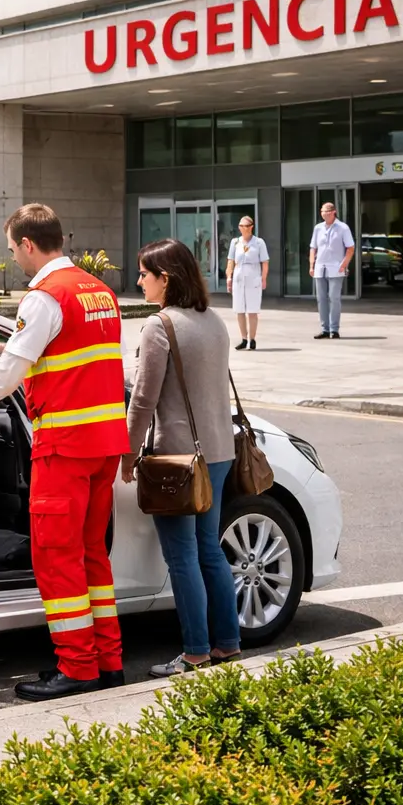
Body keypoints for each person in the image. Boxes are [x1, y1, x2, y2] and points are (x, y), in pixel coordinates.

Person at [0, 203, 129, 699]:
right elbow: (72, 357)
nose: (15, 257)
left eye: (14, 247)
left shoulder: (43, 297)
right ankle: (108, 662)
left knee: (56, 557)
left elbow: (5, 381)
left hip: (64, 446)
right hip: (104, 444)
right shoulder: (97, 291)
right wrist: (17, 350)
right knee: (91, 557)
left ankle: (77, 668)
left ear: (29, 245)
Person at [123, 239, 240, 677]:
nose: (139, 281)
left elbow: (143, 401)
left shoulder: (159, 326)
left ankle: (194, 652)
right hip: (219, 452)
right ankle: (227, 644)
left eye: (144, 274)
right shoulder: (214, 322)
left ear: (165, 278)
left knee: (183, 556)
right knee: (210, 550)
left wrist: (128, 453)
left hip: (176, 457)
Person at [309, 202, 354, 339]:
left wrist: (344, 264)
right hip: (320, 267)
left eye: (328, 211)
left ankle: (334, 329)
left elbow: (350, 248)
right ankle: (325, 329)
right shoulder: (318, 228)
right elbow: (313, 248)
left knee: (334, 298)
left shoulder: (343, 228)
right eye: (323, 211)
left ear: (334, 212)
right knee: (321, 299)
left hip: (336, 267)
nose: (325, 214)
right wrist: (311, 264)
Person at [225, 216, 269, 350]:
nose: (243, 229)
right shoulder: (235, 242)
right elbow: (230, 261)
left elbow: (265, 262)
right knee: (239, 310)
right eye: (241, 226)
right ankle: (244, 338)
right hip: (239, 276)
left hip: (253, 276)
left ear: (251, 227)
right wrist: (229, 276)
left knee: (252, 310)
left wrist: (263, 278)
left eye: (245, 226)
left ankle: (252, 339)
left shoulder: (259, 243)